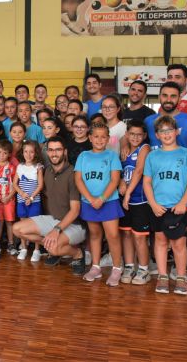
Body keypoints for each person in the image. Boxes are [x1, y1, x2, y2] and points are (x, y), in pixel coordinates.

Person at [13, 137, 86, 274]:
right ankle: (53, 247)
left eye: (58, 150)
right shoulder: (45, 171)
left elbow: (75, 211)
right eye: (51, 150)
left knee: (53, 248)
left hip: (74, 224)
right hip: (52, 219)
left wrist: (56, 230)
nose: (54, 153)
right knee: (17, 229)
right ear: (47, 152)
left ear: (64, 151)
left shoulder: (73, 174)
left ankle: (77, 254)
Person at [143, 116, 187, 295]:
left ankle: (181, 277)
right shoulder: (152, 155)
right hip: (158, 207)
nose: (166, 134)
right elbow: (147, 182)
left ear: (176, 132)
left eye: (169, 130)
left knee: (179, 243)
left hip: (180, 207)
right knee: (160, 241)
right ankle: (162, 276)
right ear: (157, 135)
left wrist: (183, 202)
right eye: (162, 131)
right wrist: (152, 204)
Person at [74, 123, 124, 286]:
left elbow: (115, 180)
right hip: (89, 202)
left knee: (113, 236)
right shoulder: (83, 156)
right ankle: (96, 267)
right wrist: (89, 198)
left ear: (108, 139)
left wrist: (101, 198)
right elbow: (78, 179)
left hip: (108, 201)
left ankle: (117, 268)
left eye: (103, 137)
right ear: (90, 138)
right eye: (96, 136)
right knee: (94, 235)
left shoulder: (111, 156)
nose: (100, 139)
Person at [118, 119, 152, 285]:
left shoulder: (144, 148)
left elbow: (138, 171)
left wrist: (128, 193)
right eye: (132, 134)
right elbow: (120, 173)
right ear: (127, 134)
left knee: (139, 236)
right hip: (125, 199)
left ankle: (144, 269)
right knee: (126, 233)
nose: (135, 137)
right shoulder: (123, 151)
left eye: (139, 134)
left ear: (144, 136)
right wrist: (121, 183)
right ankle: (129, 266)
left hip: (139, 199)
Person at [144, 82, 187, 151]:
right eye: (165, 95)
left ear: (179, 99)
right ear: (159, 97)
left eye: (173, 96)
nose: (168, 100)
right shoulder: (148, 121)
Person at [13, 141, 44, 261]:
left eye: (31, 152)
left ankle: (36, 250)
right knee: (23, 225)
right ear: (22, 152)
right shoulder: (20, 166)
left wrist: (31, 198)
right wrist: (22, 194)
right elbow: (15, 184)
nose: (28, 154)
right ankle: (24, 248)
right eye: (26, 151)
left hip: (34, 201)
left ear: (35, 153)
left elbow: (40, 185)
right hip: (22, 200)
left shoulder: (38, 167)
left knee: (35, 226)